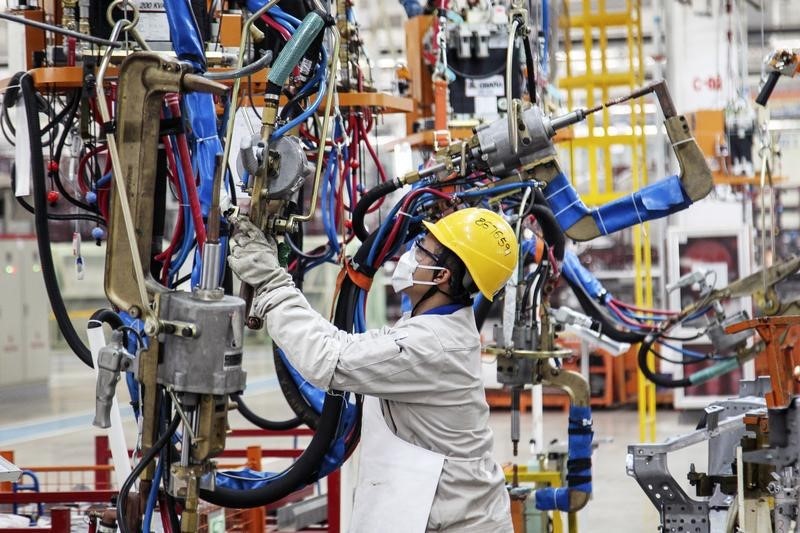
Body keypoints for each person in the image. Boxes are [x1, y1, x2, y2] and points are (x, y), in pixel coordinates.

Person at [228, 207, 518, 533]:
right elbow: (345, 348)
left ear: (442, 276)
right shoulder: (432, 327)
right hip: (439, 511)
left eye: (422, 248)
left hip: (454, 522)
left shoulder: (431, 345)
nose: (411, 253)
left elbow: (329, 359)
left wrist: (269, 281)